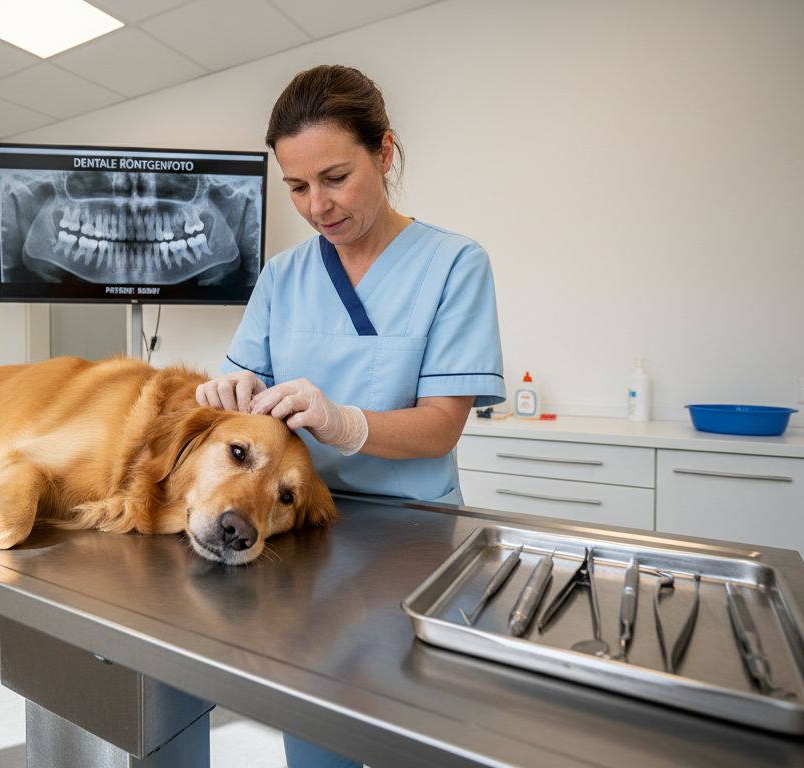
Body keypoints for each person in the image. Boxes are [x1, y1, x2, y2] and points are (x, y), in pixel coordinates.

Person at [195, 64, 505, 768]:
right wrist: (228, 401)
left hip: (414, 540)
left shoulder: (455, 265)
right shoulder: (282, 277)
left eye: (335, 177)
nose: (317, 206)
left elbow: (442, 425)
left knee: (412, 735)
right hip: (303, 539)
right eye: (297, 187)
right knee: (316, 739)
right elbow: (251, 393)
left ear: (384, 153)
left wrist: (346, 423)